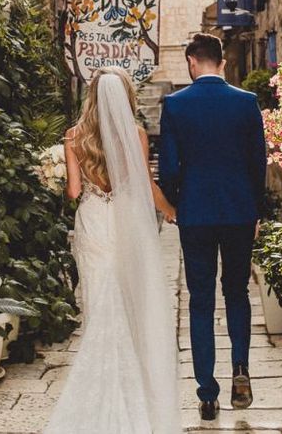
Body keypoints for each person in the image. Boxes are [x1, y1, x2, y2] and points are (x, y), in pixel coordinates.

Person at [44, 67, 181, 434]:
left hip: (92, 221)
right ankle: (129, 380)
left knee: (97, 300)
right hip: (122, 221)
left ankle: (99, 380)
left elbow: (73, 193)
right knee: (126, 297)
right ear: (125, 96)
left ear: (91, 96)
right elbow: (142, 184)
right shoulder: (134, 135)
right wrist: (170, 210)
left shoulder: (74, 136)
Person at [159, 33, 267, 421]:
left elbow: (169, 167)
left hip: (197, 214)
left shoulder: (175, 105)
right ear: (222, 63)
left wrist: (175, 203)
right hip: (239, 211)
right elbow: (259, 164)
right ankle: (240, 367)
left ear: (191, 62)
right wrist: (255, 210)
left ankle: (207, 393)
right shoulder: (246, 102)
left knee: (200, 299)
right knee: (237, 292)